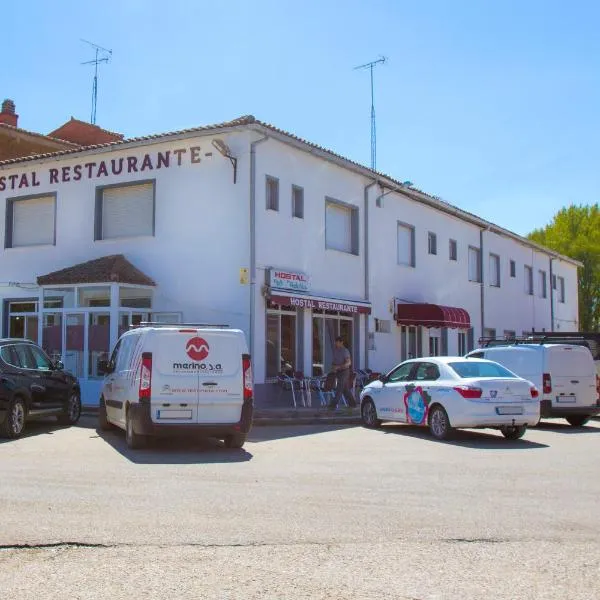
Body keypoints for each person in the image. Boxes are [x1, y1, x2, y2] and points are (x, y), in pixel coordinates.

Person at [328, 336, 357, 410]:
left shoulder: (345, 351)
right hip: (337, 372)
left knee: (339, 387)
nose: (336, 344)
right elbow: (334, 361)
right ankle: (353, 403)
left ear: (341, 342)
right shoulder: (336, 351)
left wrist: (339, 366)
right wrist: (333, 367)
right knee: (345, 389)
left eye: (337, 343)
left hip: (344, 372)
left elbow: (348, 363)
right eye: (335, 343)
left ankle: (333, 405)